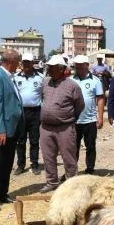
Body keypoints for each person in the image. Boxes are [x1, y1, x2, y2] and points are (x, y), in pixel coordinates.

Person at [0, 49, 24, 211]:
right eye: (18, 62)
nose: (19, 65)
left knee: (7, 163)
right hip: (1, 129)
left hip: (11, 128)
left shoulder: (8, 76)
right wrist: (0, 129)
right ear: (11, 62)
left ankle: (2, 193)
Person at [39, 55, 85, 191]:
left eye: (52, 67)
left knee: (69, 157)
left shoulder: (72, 86)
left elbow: (80, 105)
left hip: (65, 128)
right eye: (49, 67)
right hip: (46, 127)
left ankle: (72, 185)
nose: (49, 70)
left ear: (61, 69)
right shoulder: (45, 83)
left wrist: (68, 118)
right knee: (48, 157)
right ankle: (52, 182)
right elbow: (43, 99)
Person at [72, 55, 105, 174]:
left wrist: (100, 117)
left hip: (90, 120)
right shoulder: (70, 80)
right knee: (73, 147)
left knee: (90, 146)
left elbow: (100, 99)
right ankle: (72, 170)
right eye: (77, 65)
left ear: (87, 65)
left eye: (81, 65)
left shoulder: (95, 80)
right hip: (73, 121)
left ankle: (90, 169)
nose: (79, 67)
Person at [14, 53, 44, 175]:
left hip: (35, 112)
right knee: (20, 140)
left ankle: (34, 164)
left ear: (33, 63)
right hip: (20, 112)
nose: (26, 64)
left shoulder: (40, 78)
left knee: (34, 140)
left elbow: (44, 95)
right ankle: (21, 165)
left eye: (29, 62)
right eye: (24, 62)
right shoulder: (15, 78)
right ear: (22, 63)